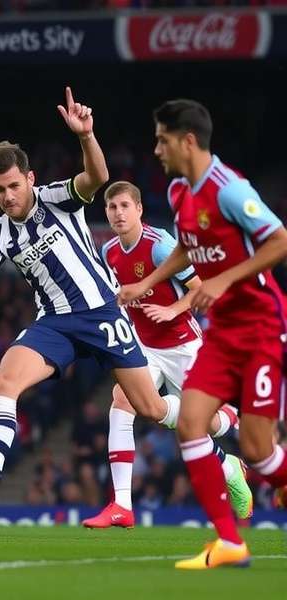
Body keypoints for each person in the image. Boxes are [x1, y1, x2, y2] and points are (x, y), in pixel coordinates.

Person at [0, 87, 187, 523]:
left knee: (151, 408)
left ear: (29, 179)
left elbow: (97, 176)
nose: (8, 196)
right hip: (54, 323)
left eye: (14, 185)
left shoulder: (58, 197)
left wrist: (86, 137)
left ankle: (221, 430)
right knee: (4, 381)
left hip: (104, 313)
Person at [119, 99, 287, 569]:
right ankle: (230, 543)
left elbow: (280, 241)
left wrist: (224, 279)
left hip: (261, 327)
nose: (156, 149)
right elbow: (188, 251)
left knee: (257, 450)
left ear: (187, 140)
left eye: (162, 140)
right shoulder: (177, 191)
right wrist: (146, 283)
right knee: (190, 424)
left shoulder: (230, 190)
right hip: (222, 332)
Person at [81, 180, 251, 529]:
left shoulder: (160, 246)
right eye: (112, 208)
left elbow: (202, 288)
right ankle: (121, 505)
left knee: (202, 427)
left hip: (183, 346)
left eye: (125, 206)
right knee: (122, 402)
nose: (118, 213)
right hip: (144, 348)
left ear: (139, 209)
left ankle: (229, 451)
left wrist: (174, 309)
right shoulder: (109, 251)